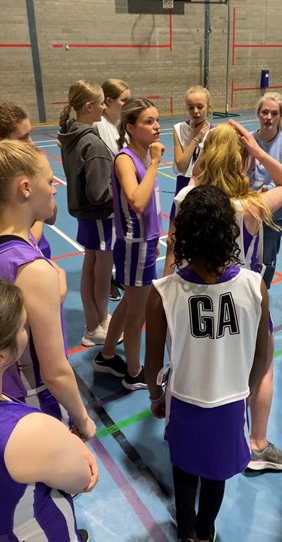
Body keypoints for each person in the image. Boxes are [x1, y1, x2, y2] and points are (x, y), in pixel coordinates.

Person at [167, 122, 282, 471]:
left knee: (197, 368)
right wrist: (258, 152)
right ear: (243, 161)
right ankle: (256, 443)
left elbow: (171, 257)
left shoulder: (185, 200)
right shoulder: (251, 205)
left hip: (195, 298)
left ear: (206, 156)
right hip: (245, 302)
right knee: (262, 368)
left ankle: (191, 434)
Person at [145, 185, 269, 542]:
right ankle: (205, 529)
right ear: (228, 231)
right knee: (215, 475)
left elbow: (152, 362)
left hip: (184, 399)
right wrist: (244, 390)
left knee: (184, 471)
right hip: (230, 400)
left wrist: (156, 397)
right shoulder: (254, 286)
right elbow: (261, 356)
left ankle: (186, 532)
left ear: (182, 234)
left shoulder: (163, 292)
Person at [0, 137, 96, 440]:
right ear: (25, 188)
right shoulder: (31, 270)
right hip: (31, 397)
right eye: (49, 180)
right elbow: (54, 372)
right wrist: (83, 420)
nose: (55, 187)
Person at [0, 277, 98, 541]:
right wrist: (67, 445)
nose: (26, 331)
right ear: (1, 357)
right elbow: (81, 480)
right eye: (22, 326)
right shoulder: (29, 432)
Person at [92, 98, 164, 389]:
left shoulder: (143, 155)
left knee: (130, 303)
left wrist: (156, 236)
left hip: (144, 243)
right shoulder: (125, 158)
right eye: (148, 121)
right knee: (139, 313)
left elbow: (149, 205)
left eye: (157, 120)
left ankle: (108, 354)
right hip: (134, 245)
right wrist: (157, 163)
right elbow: (136, 200)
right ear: (131, 128)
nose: (156, 126)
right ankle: (134, 372)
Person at [58, 80, 116, 347]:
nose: (105, 106)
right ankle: (97, 323)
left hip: (85, 216)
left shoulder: (71, 134)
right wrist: (125, 192)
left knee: (91, 267)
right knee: (101, 270)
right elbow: (99, 193)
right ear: (89, 106)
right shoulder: (91, 143)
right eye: (102, 102)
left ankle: (96, 321)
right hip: (100, 216)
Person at [0, 99, 56, 258]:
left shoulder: (25, 170)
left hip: (36, 254)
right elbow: (21, 240)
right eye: (24, 137)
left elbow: (51, 215)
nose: (31, 143)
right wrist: (37, 213)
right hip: (21, 262)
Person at [247, 91, 282, 288]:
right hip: (249, 210)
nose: (269, 117)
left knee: (266, 260)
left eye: (274, 113)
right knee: (245, 255)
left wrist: (266, 190)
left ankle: (262, 297)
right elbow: (240, 173)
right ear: (258, 113)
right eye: (265, 112)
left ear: (281, 116)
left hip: (274, 214)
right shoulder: (248, 140)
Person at [163, 86, 212, 276]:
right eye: (191, 107)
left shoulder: (215, 133)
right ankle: (165, 287)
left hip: (203, 188)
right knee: (173, 240)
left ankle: (197, 280)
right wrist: (195, 138)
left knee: (200, 241)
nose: (196, 111)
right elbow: (181, 165)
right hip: (182, 187)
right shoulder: (179, 129)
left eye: (200, 107)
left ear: (208, 106)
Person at [97, 78, 131, 301]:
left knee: (121, 239)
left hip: (124, 193)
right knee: (105, 244)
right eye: (123, 100)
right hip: (107, 196)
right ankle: (106, 280)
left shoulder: (121, 124)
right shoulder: (98, 126)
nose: (127, 105)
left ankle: (120, 275)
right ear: (108, 101)